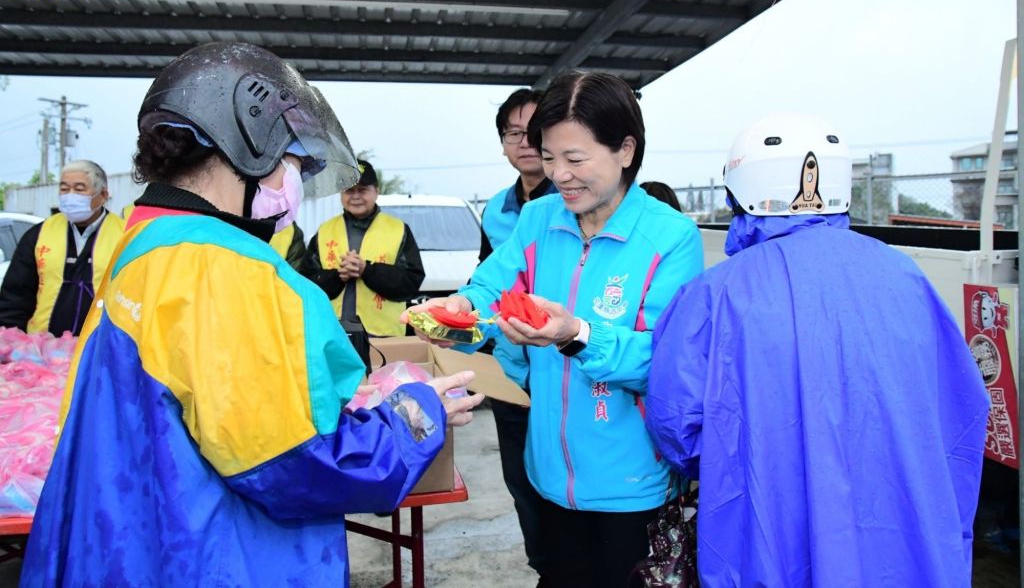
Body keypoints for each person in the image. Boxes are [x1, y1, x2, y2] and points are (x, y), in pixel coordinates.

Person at [20, 42, 484, 587]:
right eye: (293, 163)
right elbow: (292, 464)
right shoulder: (227, 268)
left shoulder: (144, 242)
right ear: (251, 146)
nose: (295, 185)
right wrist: (416, 415)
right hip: (217, 559)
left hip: (133, 547)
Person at [644, 114, 990, 588]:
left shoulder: (715, 294)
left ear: (739, 194)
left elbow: (676, 426)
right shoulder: (907, 277)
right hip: (903, 538)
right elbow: (961, 412)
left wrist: (749, 461)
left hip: (767, 532)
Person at [404, 72, 704, 587]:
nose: (559, 175)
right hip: (548, 475)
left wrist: (576, 334)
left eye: (575, 159)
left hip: (632, 485)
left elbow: (663, 361)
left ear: (625, 150)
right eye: (548, 157)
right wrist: (457, 309)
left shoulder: (671, 237)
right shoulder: (539, 218)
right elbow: (491, 285)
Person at [478, 87, 557, 579]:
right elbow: (484, 279)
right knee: (521, 483)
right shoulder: (495, 210)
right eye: (513, 133)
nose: (524, 142)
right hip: (510, 372)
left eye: (534, 132)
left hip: (562, 366)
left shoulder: (570, 200)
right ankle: (544, 567)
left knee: (563, 481)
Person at [301, 159, 424, 336]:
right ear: (341, 194)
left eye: (362, 190)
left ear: (376, 192)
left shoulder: (398, 229)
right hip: (332, 333)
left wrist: (367, 270)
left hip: (383, 334)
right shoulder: (325, 230)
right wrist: (338, 276)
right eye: (349, 190)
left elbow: (411, 282)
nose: (355, 196)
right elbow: (306, 283)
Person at [0, 160, 124, 336]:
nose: (70, 196)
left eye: (79, 189)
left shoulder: (125, 235)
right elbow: (15, 297)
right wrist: (11, 339)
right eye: (64, 189)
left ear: (103, 195)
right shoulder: (39, 235)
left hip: (101, 345)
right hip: (42, 345)